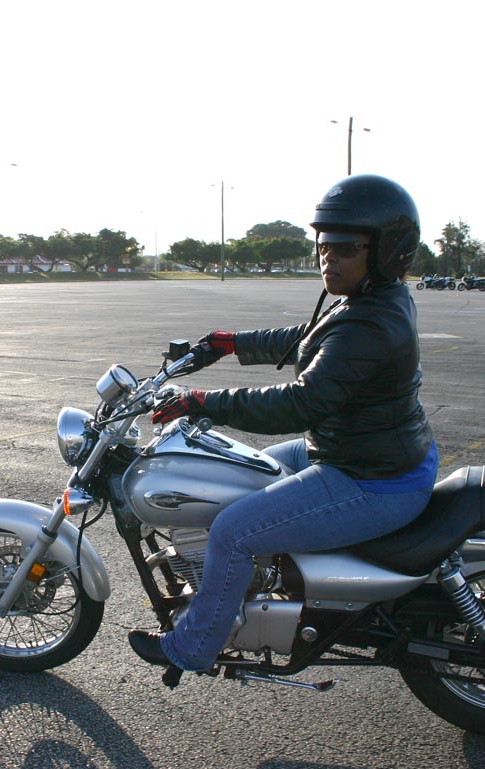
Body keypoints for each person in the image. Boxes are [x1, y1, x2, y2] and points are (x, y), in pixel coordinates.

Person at [129, 174, 438, 672]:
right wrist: (231, 343)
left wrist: (203, 402)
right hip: (354, 452)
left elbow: (301, 403)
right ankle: (247, 591)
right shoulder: (369, 301)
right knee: (234, 479)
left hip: (373, 479)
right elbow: (310, 336)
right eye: (323, 245)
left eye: (345, 247)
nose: (328, 257)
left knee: (232, 530)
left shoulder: (371, 323)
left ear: (386, 251)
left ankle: (192, 647)